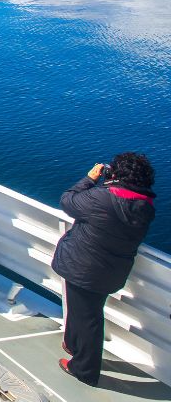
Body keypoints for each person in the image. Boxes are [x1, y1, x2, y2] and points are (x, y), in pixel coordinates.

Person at [53, 153, 155, 386]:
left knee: (89, 319)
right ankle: (73, 344)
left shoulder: (101, 198)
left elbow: (67, 201)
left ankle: (85, 370)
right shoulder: (145, 207)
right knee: (86, 311)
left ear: (117, 175)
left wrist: (89, 179)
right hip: (112, 271)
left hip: (84, 267)